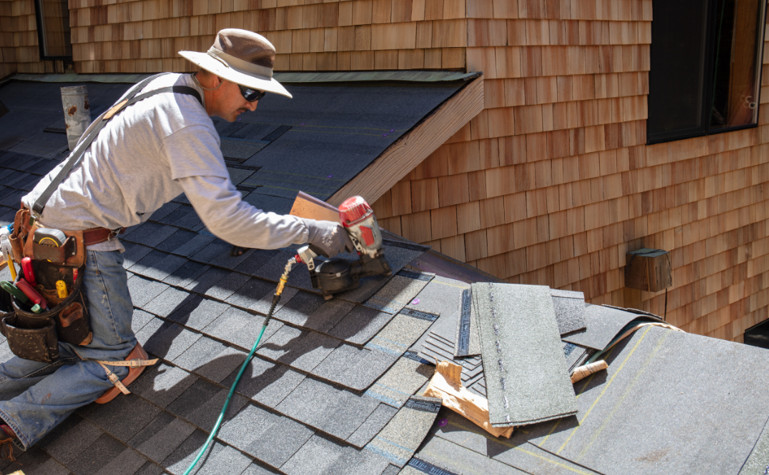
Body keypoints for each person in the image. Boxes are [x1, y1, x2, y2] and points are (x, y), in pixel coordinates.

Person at [0, 28, 352, 452]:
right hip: (78, 243)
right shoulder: (188, 124)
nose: (253, 105)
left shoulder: (164, 84)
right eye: (248, 91)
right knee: (117, 361)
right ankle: (11, 423)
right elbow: (229, 221)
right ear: (214, 76)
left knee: (64, 345)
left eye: (262, 96)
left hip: (36, 229)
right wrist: (313, 230)